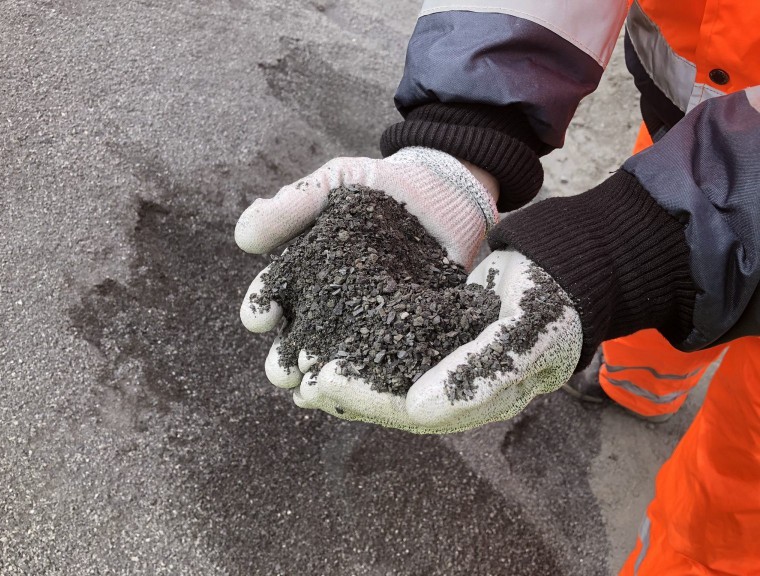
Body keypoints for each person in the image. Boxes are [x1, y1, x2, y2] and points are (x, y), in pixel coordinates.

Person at [236, 1, 760, 573]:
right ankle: (636, 387)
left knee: (734, 493)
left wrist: (656, 237)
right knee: (657, 281)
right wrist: (469, 119)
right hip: (682, 130)